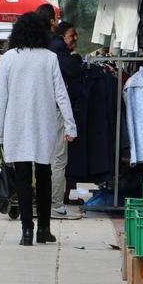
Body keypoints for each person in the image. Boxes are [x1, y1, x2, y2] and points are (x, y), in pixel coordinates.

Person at [0, 12, 77, 247]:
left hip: (16, 126)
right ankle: (44, 229)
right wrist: (70, 125)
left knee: (22, 179)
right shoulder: (49, 58)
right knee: (44, 175)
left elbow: (1, 98)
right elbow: (61, 93)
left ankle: (26, 231)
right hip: (44, 125)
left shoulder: (9, 58)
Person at [52, 20, 86, 219]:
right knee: (58, 159)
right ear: (62, 35)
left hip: (49, 112)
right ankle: (55, 203)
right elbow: (63, 92)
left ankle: (56, 199)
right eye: (72, 35)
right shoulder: (58, 53)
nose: (75, 39)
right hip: (57, 113)